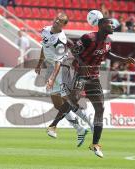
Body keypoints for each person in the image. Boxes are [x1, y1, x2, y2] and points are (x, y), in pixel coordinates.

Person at [47, 17, 135, 158]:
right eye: (110, 23)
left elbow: (107, 53)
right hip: (80, 74)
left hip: (94, 78)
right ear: (101, 25)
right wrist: (82, 64)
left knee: (100, 108)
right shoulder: (88, 37)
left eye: (113, 23)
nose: (113, 26)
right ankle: (53, 125)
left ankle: (95, 144)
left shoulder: (107, 42)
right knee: (73, 100)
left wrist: (123, 59)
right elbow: (75, 51)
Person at [35, 12, 93, 147]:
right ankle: (80, 129)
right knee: (58, 104)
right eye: (57, 18)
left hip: (61, 70)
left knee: (67, 101)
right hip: (50, 68)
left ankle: (90, 124)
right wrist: (39, 63)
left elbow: (58, 62)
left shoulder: (60, 40)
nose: (56, 21)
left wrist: (51, 78)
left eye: (60, 20)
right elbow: (44, 48)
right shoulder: (45, 30)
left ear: (63, 25)